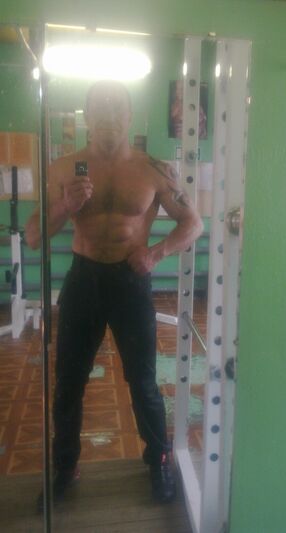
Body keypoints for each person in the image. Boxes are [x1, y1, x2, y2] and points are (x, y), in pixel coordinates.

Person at [25, 79, 204, 507]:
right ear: (87, 116)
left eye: (116, 108)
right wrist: (66, 206)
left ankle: (158, 460)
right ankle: (65, 467)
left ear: (129, 116)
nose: (108, 116)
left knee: (143, 381)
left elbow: (193, 223)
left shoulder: (153, 169)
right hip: (83, 280)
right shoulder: (64, 168)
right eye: (99, 108)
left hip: (130, 282)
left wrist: (156, 253)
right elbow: (33, 235)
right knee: (68, 382)